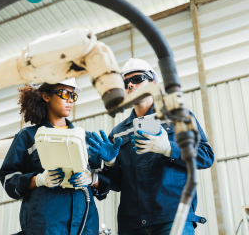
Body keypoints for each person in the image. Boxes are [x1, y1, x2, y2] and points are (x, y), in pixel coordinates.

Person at [88, 58, 214, 235]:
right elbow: (115, 184)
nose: (130, 85)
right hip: (132, 224)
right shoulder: (118, 133)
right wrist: (110, 163)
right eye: (125, 82)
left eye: (138, 79)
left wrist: (169, 148)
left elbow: (206, 156)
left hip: (172, 218)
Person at [0, 78, 110, 235]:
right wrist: (38, 180)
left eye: (73, 95)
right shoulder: (28, 137)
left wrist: (93, 179)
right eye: (65, 94)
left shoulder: (86, 139)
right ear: (46, 96)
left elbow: (106, 185)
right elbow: (9, 179)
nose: (70, 100)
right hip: (45, 226)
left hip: (85, 226)